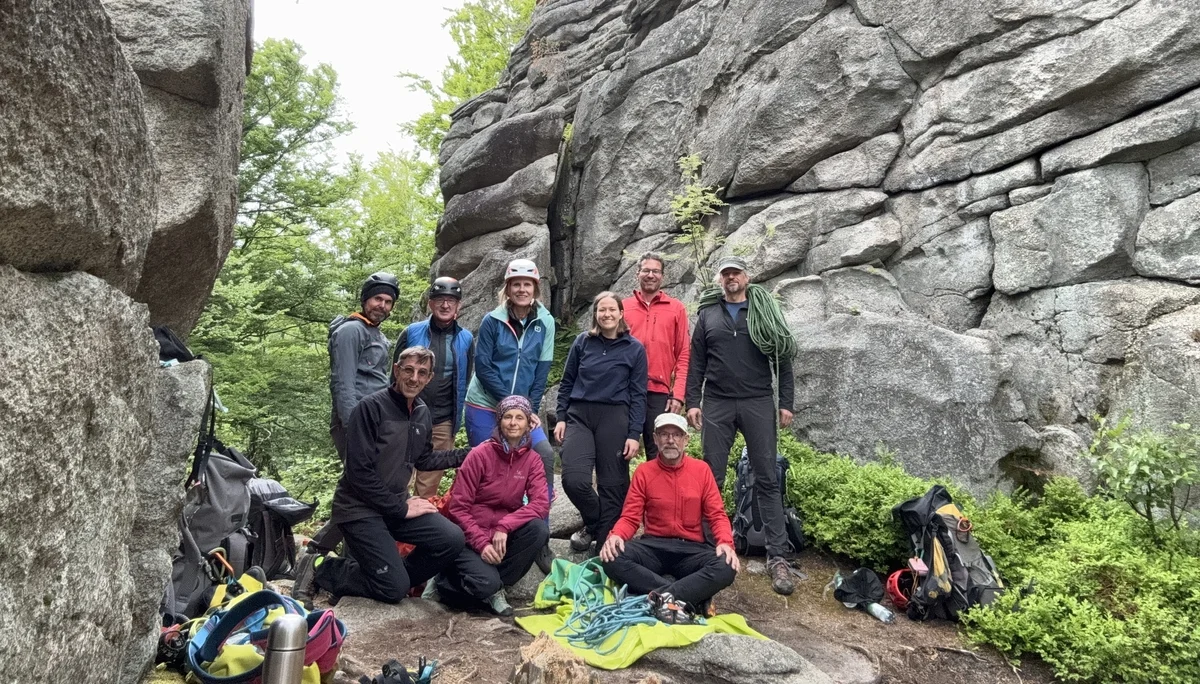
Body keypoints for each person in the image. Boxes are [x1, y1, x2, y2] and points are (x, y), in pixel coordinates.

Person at [292, 347, 471, 606]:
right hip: (359, 509)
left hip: (393, 506)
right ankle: (320, 567)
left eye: (422, 373)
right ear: (396, 370)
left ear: (430, 378)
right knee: (393, 588)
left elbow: (423, 459)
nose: (414, 378)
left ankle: (385, 578)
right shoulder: (370, 408)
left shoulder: (421, 412)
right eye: (408, 370)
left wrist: (469, 454)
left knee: (451, 539)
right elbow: (358, 473)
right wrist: (400, 508)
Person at [685, 255, 797, 596]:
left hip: (758, 400)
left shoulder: (764, 312)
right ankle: (707, 548)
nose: (731, 278)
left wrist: (786, 403)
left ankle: (778, 557)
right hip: (717, 402)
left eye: (736, 273)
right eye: (726, 274)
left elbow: (783, 358)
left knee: (767, 477)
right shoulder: (708, 314)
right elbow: (696, 361)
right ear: (720, 280)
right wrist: (692, 401)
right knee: (711, 477)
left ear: (746, 277)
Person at [463, 258, 557, 569]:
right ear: (508, 288)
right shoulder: (492, 320)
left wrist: (527, 407)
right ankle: (480, 538)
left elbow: (541, 370)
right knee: (487, 464)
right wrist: (511, 403)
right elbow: (483, 366)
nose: (521, 289)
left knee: (543, 453)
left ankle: (539, 537)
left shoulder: (545, 322)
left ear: (535, 289)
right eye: (516, 284)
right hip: (484, 403)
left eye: (527, 284)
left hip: (522, 407)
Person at [600, 412, 738, 612]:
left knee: (726, 566)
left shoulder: (702, 470)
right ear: (655, 439)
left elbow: (717, 515)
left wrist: (725, 542)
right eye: (664, 434)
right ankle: (690, 596)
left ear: (686, 440)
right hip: (653, 548)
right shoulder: (644, 472)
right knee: (611, 557)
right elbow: (630, 517)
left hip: (691, 551)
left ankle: (659, 595)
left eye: (677, 435)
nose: (670, 440)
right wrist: (616, 535)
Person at [305, 272, 399, 559]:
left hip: (376, 421)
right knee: (361, 488)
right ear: (365, 299)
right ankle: (321, 550)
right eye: (377, 299)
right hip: (355, 421)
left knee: (362, 488)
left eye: (388, 301)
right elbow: (343, 383)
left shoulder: (377, 335)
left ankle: (343, 554)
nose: (382, 306)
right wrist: (353, 425)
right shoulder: (351, 331)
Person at [430, 395, 551, 616]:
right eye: (507, 417)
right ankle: (445, 583)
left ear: (528, 424)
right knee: (484, 585)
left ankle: (494, 586)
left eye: (519, 417)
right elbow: (458, 508)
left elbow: (541, 504)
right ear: (499, 421)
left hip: (501, 536)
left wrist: (505, 526)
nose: (513, 423)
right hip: (470, 536)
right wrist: (482, 544)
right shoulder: (479, 455)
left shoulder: (532, 460)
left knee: (538, 530)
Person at [554, 291, 648, 553]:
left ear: (621, 313)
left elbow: (639, 395)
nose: (607, 314)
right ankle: (595, 523)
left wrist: (634, 434)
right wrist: (561, 417)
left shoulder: (634, 348)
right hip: (580, 415)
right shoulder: (583, 342)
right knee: (574, 479)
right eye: (601, 310)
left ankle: (606, 545)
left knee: (613, 486)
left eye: (611, 309)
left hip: (615, 416)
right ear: (595, 314)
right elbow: (567, 382)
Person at [394, 276, 475, 497]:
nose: (445, 305)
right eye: (440, 299)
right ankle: (395, 514)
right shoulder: (411, 332)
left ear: (459, 305)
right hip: (406, 416)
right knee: (398, 477)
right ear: (430, 303)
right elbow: (394, 375)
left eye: (451, 300)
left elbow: (464, 379)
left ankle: (421, 517)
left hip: (443, 420)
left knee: (429, 484)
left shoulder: (466, 339)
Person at [622, 252, 690, 460]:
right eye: (646, 270)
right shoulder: (623, 307)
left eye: (656, 271)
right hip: (624, 389)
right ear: (637, 274)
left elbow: (683, 354)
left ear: (662, 276)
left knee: (658, 452)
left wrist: (678, 394)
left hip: (659, 392)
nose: (650, 275)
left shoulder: (676, 308)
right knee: (619, 448)